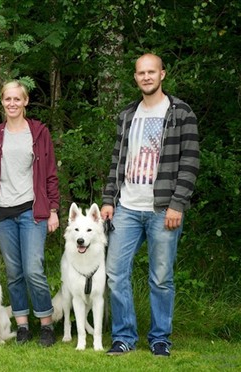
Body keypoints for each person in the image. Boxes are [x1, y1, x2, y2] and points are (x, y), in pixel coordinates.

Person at [101, 53, 199, 357]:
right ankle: (123, 336)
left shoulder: (181, 113)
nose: (146, 77)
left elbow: (190, 162)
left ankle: (159, 338)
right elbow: (117, 160)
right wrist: (108, 200)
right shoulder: (127, 114)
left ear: (162, 74)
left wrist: (177, 204)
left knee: (161, 277)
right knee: (115, 273)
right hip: (127, 207)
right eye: (141, 73)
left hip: (163, 209)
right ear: (135, 77)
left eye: (151, 72)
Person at [0, 80, 60, 347]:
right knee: (14, 272)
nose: (12, 104)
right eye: (7, 99)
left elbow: (50, 173)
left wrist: (52, 209)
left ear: (25, 101)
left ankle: (46, 325)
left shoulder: (38, 133)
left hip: (32, 211)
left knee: (34, 270)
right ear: (1, 102)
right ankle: (22, 325)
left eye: (17, 99)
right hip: (2, 214)